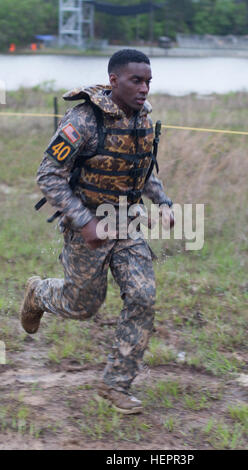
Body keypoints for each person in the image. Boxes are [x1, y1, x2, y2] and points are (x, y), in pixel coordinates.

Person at [19, 49, 174, 414]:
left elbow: (143, 168)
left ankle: (116, 384)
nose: (144, 89)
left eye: (148, 81)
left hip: (127, 223)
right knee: (82, 306)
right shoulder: (83, 120)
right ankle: (39, 293)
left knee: (143, 296)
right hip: (85, 224)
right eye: (137, 81)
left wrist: (163, 202)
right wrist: (85, 222)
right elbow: (48, 175)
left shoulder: (143, 120)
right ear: (114, 80)